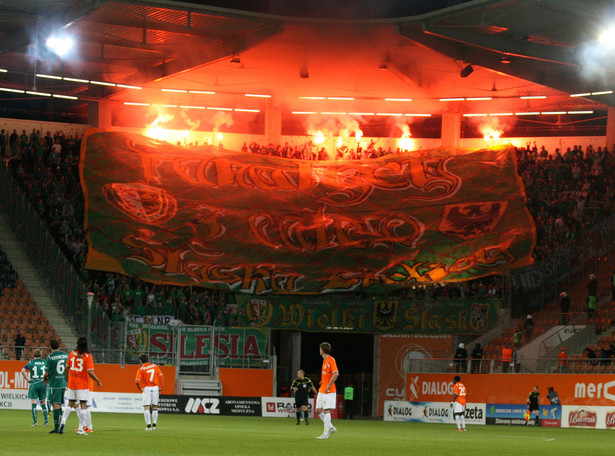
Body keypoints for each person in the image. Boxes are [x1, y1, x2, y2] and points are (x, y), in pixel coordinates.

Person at [59, 336, 102, 435]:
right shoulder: (88, 356)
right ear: (86, 345)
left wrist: (67, 380)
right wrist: (98, 380)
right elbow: (90, 371)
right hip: (82, 384)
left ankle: (63, 422)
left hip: (72, 383)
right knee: (83, 405)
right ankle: (81, 429)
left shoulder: (72, 354)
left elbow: (66, 368)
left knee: (70, 403)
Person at [315, 342, 339, 439]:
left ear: (323, 350)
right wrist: (323, 381)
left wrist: (328, 385)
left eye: (320, 349)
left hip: (329, 390)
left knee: (326, 410)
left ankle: (325, 434)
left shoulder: (331, 360)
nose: (319, 350)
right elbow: (328, 374)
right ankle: (331, 427)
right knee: (318, 410)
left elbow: (336, 374)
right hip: (322, 389)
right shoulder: (324, 361)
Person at [44, 339, 68, 433]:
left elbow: (47, 373)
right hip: (63, 383)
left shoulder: (50, 357)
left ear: (50, 346)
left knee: (55, 405)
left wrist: (44, 379)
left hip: (54, 384)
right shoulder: (66, 356)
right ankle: (60, 426)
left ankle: (56, 427)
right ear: (59, 346)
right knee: (59, 404)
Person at [135, 353, 164, 431]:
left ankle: (148, 426)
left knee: (146, 407)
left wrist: (140, 389)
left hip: (147, 388)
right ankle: (154, 425)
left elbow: (137, 381)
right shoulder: (155, 366)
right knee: (154, 407)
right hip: (155, 388)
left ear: (141, 361)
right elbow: (161, 376)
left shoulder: (141, 369)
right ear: (148, 359)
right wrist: (161, 387)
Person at [21, 348, 49, 427]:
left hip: (34, 383)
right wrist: (47, 381)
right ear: (40, 355)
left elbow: (22, 371)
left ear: (33, 355)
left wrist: (28, 379)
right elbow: (48, 372)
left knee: (34, 402)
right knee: (43, 402)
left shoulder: (31, 363)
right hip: (42, 383)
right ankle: (46, 421)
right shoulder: (45, 362)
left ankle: (35, 422)